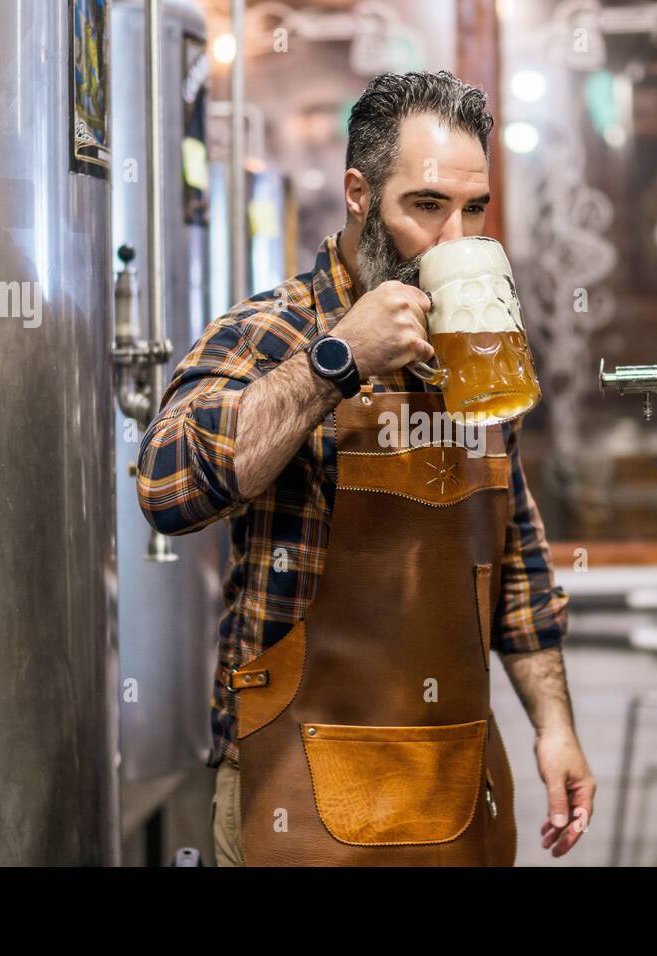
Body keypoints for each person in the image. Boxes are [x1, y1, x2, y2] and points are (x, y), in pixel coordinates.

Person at [137, 70, 593, 866]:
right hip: (298, 792)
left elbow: (515, 554)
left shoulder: (476, 344)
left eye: (474, 209)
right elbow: (167, 486)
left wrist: (555, 727)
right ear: (358, 193)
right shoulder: (276, 329)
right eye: (426, 206)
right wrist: (336, 363)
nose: (458, 239)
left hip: (454, 789)